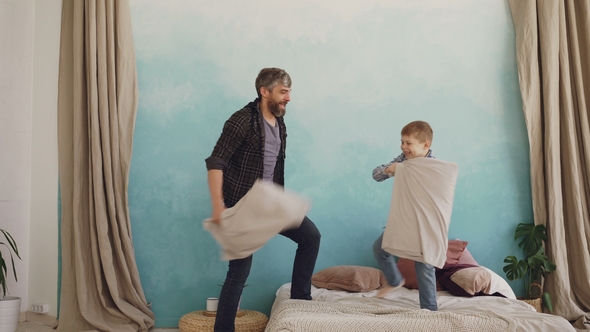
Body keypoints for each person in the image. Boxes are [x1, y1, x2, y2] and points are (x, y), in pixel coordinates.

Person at [205, 68, 321, 331]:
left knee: (310, 236)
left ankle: (300, 302)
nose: (289, 97)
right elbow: (216, 162)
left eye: (289, 91)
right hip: (244, 206)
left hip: (270, 203)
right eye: (283, 91)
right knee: (239, 273)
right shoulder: (242, 121)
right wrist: (218, 206)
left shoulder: (279, 121)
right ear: (264, 91)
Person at [371, 120, 438, 311]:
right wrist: (388, 170)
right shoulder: (403, 160)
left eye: (408, 143)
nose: (404, 147)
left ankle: (429, 310)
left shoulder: (434, 166)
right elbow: (376, 175)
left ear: (426, 145)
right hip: (404, 218)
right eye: (402, 142)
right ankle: (394, 280)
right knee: (380, 248)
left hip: (424, 223)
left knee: (424, 263)